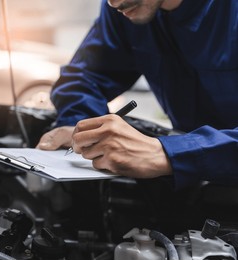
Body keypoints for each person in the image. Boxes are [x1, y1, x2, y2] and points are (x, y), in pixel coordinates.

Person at [36, 0, 238, 190]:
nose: (112, 2)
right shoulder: (129, 9)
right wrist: (82, 127)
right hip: (193, 189)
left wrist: (166, 153)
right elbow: (85, 77)